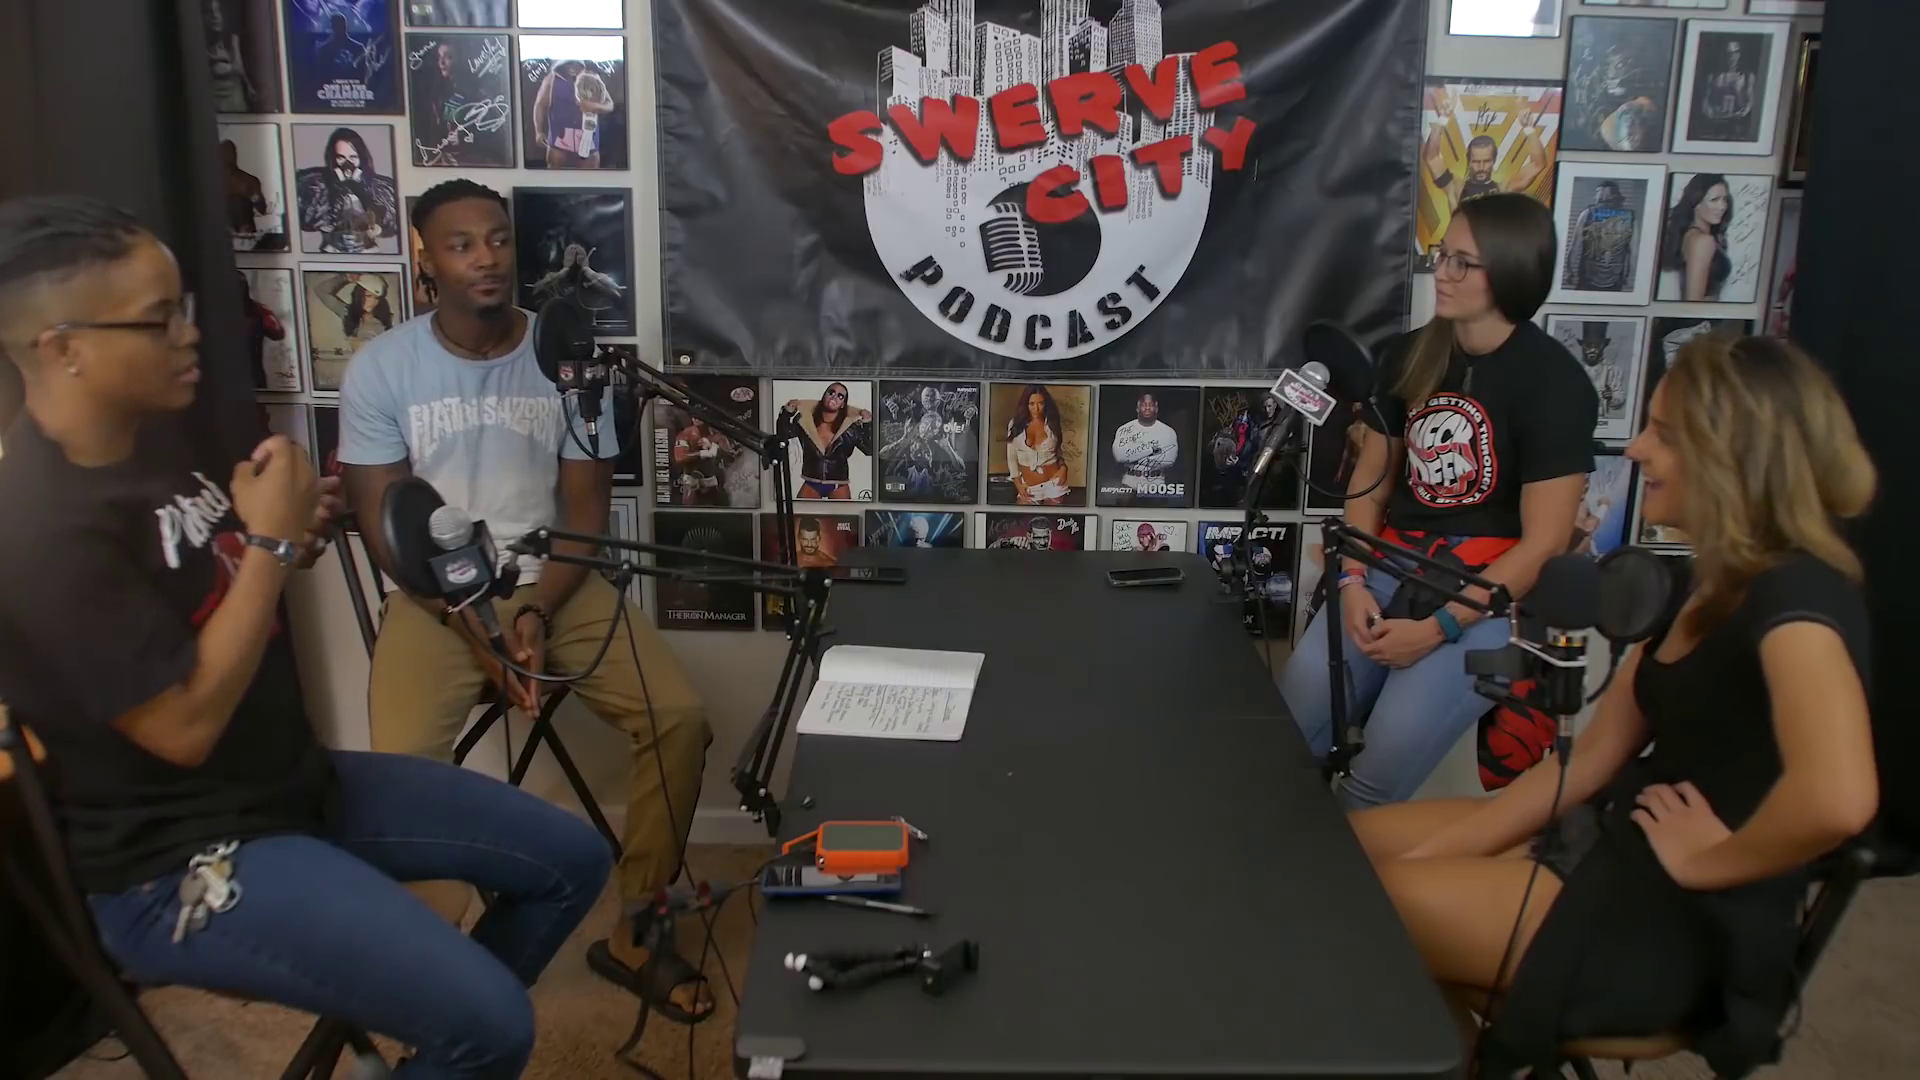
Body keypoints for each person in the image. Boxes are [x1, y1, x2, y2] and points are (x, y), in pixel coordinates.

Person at [0, 194, 611, 1076]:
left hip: (289, 786)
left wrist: (286, 530)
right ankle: (460, 1030)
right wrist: (269, 544)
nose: (190, 333)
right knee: (495, 1026)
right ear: (63, 348)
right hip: (182, 861)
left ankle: (441, 1033)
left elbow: (213, 584)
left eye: (184, 307)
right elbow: (183, 726)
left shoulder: (145, 442)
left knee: (571, 860)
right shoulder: (38, 530)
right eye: (158, 318)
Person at [1356, 334, 1879, 1077]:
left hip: (1674, 913)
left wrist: (1712, 861)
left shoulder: (1798, 599)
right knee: (1349, 856)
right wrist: (1437, 858)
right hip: (1610, 837)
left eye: (1662, 433)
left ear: (1733, 454)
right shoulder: (1711, 580)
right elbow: (1592, 759)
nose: (1635, 449)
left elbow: (1841, 800)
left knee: (1361, 912)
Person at [336, 180, 716, 1022]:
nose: (487, 259)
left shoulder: (568, 357)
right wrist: (476, 628)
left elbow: (584, 515)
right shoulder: (382, 368)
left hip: (553, 583)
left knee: (680, 718)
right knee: (398, 777)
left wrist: (536, 610)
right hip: (434, 599)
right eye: (462, 244)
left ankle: (639, 929)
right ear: (425, 260)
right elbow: (386, 530)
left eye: (498, 239)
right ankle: (440, 968)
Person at [1279, 192, 1599, 809]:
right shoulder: (1411, 354)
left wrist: (1438, 628)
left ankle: (1342, 869)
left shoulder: (1556, 384)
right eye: (1441, 255)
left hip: (1485, 592)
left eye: (1462, 262)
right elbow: (1370, 483)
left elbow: (1543, 544)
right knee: (1289, 736)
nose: (1442, 274)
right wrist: (1351, 582)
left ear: (1511, 272)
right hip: (1387, 565)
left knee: (1381, 765)